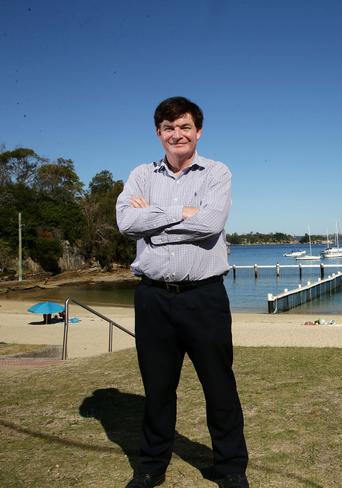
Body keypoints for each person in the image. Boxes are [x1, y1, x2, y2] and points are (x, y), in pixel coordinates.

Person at [116, 97, 248, 488]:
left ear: (198, 131)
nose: (178, 134)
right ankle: (150, 466)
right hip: (153, 297)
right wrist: (183, 212)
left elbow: (210, 224)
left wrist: (152, 218)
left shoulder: (217, 172)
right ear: (158, 133)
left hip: (204, 297)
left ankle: (230, 467)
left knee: (219, 386)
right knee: (157, 388)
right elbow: (126, 221)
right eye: (169, 128)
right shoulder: (141, 174)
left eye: (185, 127)